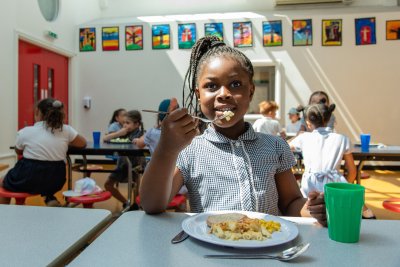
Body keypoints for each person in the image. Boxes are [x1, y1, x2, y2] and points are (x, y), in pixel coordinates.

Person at [139, 36, 326, 226]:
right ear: (198, 95)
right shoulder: (189, 151)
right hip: (211, 253)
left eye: (235, 84)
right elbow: (152, 204)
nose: (223, 94)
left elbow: (291, 203)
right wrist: (166, 149)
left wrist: (312, 208)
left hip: (266, 250)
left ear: (251, 91)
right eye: (211, 86)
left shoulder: (275, 146)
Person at [289, 103, 375, 219]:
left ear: (308, 123)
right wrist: (344, 187)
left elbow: (285, 145)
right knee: (351, 210)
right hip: (335, 183)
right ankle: (369, 215)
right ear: (329, 119)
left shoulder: (304, 138)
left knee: (309, 211)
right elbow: (352, 171)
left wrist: (299, 135)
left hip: (310, 185)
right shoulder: (342, 138)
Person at [0, 98, 86, 206]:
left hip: (27, 177)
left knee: (3, 182)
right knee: (44, 178)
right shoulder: (66, 130)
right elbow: (82, 143)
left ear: (38, 112)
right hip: (56, 179)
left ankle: (4, 212)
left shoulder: (26, 131)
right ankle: (49, 197)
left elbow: (18, 151)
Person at [104, 110, 145, 210]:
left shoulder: (141, 134)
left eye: (128, 123)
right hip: (122, 165)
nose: (125, 125)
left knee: (137, 188)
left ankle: (137, 205)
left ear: (137, 124)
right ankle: (127, 203)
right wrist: (118, 133)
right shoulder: (124, 133)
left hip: (136, 165)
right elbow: (105, 139)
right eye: (124, 123)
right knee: (108, 185)